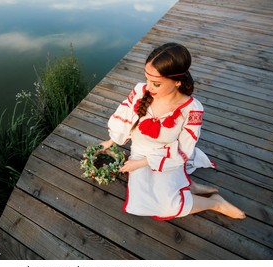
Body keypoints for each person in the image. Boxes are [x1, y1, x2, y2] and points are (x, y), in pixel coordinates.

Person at [100, 42, 245, 220]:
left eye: (156, 83)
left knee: (167, 206)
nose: (149, 87)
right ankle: (189, 186)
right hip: (139, 152)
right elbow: (125, 120)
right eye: (147, 79)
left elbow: (183, 148)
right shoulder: (140, 91)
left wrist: (142, 164)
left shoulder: (191, 109)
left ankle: (215, 202)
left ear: (177, 82)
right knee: (143, 201)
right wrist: (111, 141)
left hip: (168, 156)